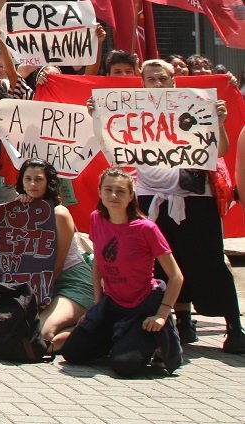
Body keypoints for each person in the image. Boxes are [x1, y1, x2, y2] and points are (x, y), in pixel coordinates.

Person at [132, 59, 243, 353]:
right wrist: (98, 116)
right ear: (142, 83)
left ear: (173, 82)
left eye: (163, 79)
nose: (157, 84)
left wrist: (217, 122)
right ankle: (182, 322)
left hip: (194, 197)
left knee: (209, 260)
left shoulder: (194, 109)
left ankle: (234, 326)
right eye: (151, 79)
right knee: (166, 260)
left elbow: (220, 150)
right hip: (150, 196)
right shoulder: (132, 112)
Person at [61, 167, 185, 377]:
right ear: (99, 192)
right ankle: (120, 340)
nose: (113, 196)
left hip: (143, 307)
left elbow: (176, 276)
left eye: (120, 191)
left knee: (125, 365)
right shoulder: (96, 219)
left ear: (131, 196)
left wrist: (162, 315)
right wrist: (96, 306)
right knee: (72, 353)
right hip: (112, 304)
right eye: (108, 190)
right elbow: (99, 262)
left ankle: (154, 344)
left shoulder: (146, 228)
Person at [13, 159, 94, 352]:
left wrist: (37, 298)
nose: (33, 184)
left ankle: (92, 328)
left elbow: (57, 265)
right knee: (17, 334)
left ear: (49, 182)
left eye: (39, 179)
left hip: (72, 282)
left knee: (40, 338)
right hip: (42, 284)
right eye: (28, 179)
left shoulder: (59, 213)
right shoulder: (17, 208)